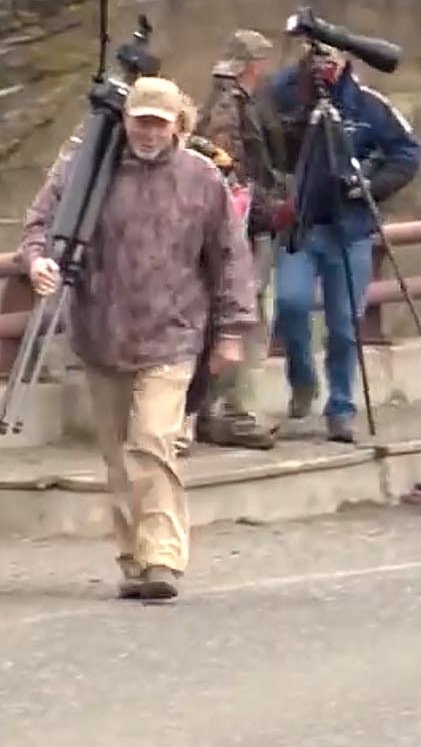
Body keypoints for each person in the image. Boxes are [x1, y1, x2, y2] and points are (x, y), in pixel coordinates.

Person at [18, 76, 258, 601]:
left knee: (152, 444)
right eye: (139, 121)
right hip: (100, 333)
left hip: (173, 335)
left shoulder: (200, 178)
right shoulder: (86, 169)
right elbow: (38, 225)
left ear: (177, 125)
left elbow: (230, 258)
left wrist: (232, 330)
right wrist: (38, 261)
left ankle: (163, 559)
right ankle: (133, 559)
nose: (147, 132)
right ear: (124, 120)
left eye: (158, 123)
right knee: (118, 458)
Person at [267, 42, 421, 442]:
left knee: (343, 325)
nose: (324, 66)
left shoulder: (367, 104)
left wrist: (371, 185)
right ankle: (303, 381)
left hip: (349, 228)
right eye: (317, 58)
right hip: (300, 224)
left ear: (346, 61)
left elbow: (407, 154)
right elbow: (264, 138)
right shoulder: (286, 91)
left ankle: (341, 407)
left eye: (332, 58)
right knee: (290, 303)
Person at [180, 29, 290, 451]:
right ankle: (230, 414)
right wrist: (270, 209)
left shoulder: (222, 102)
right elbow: (230, 179)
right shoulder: (230, 109)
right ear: (252, 65)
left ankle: (211, 411)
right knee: (249, 321)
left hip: (235, 229)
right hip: (240, 234)